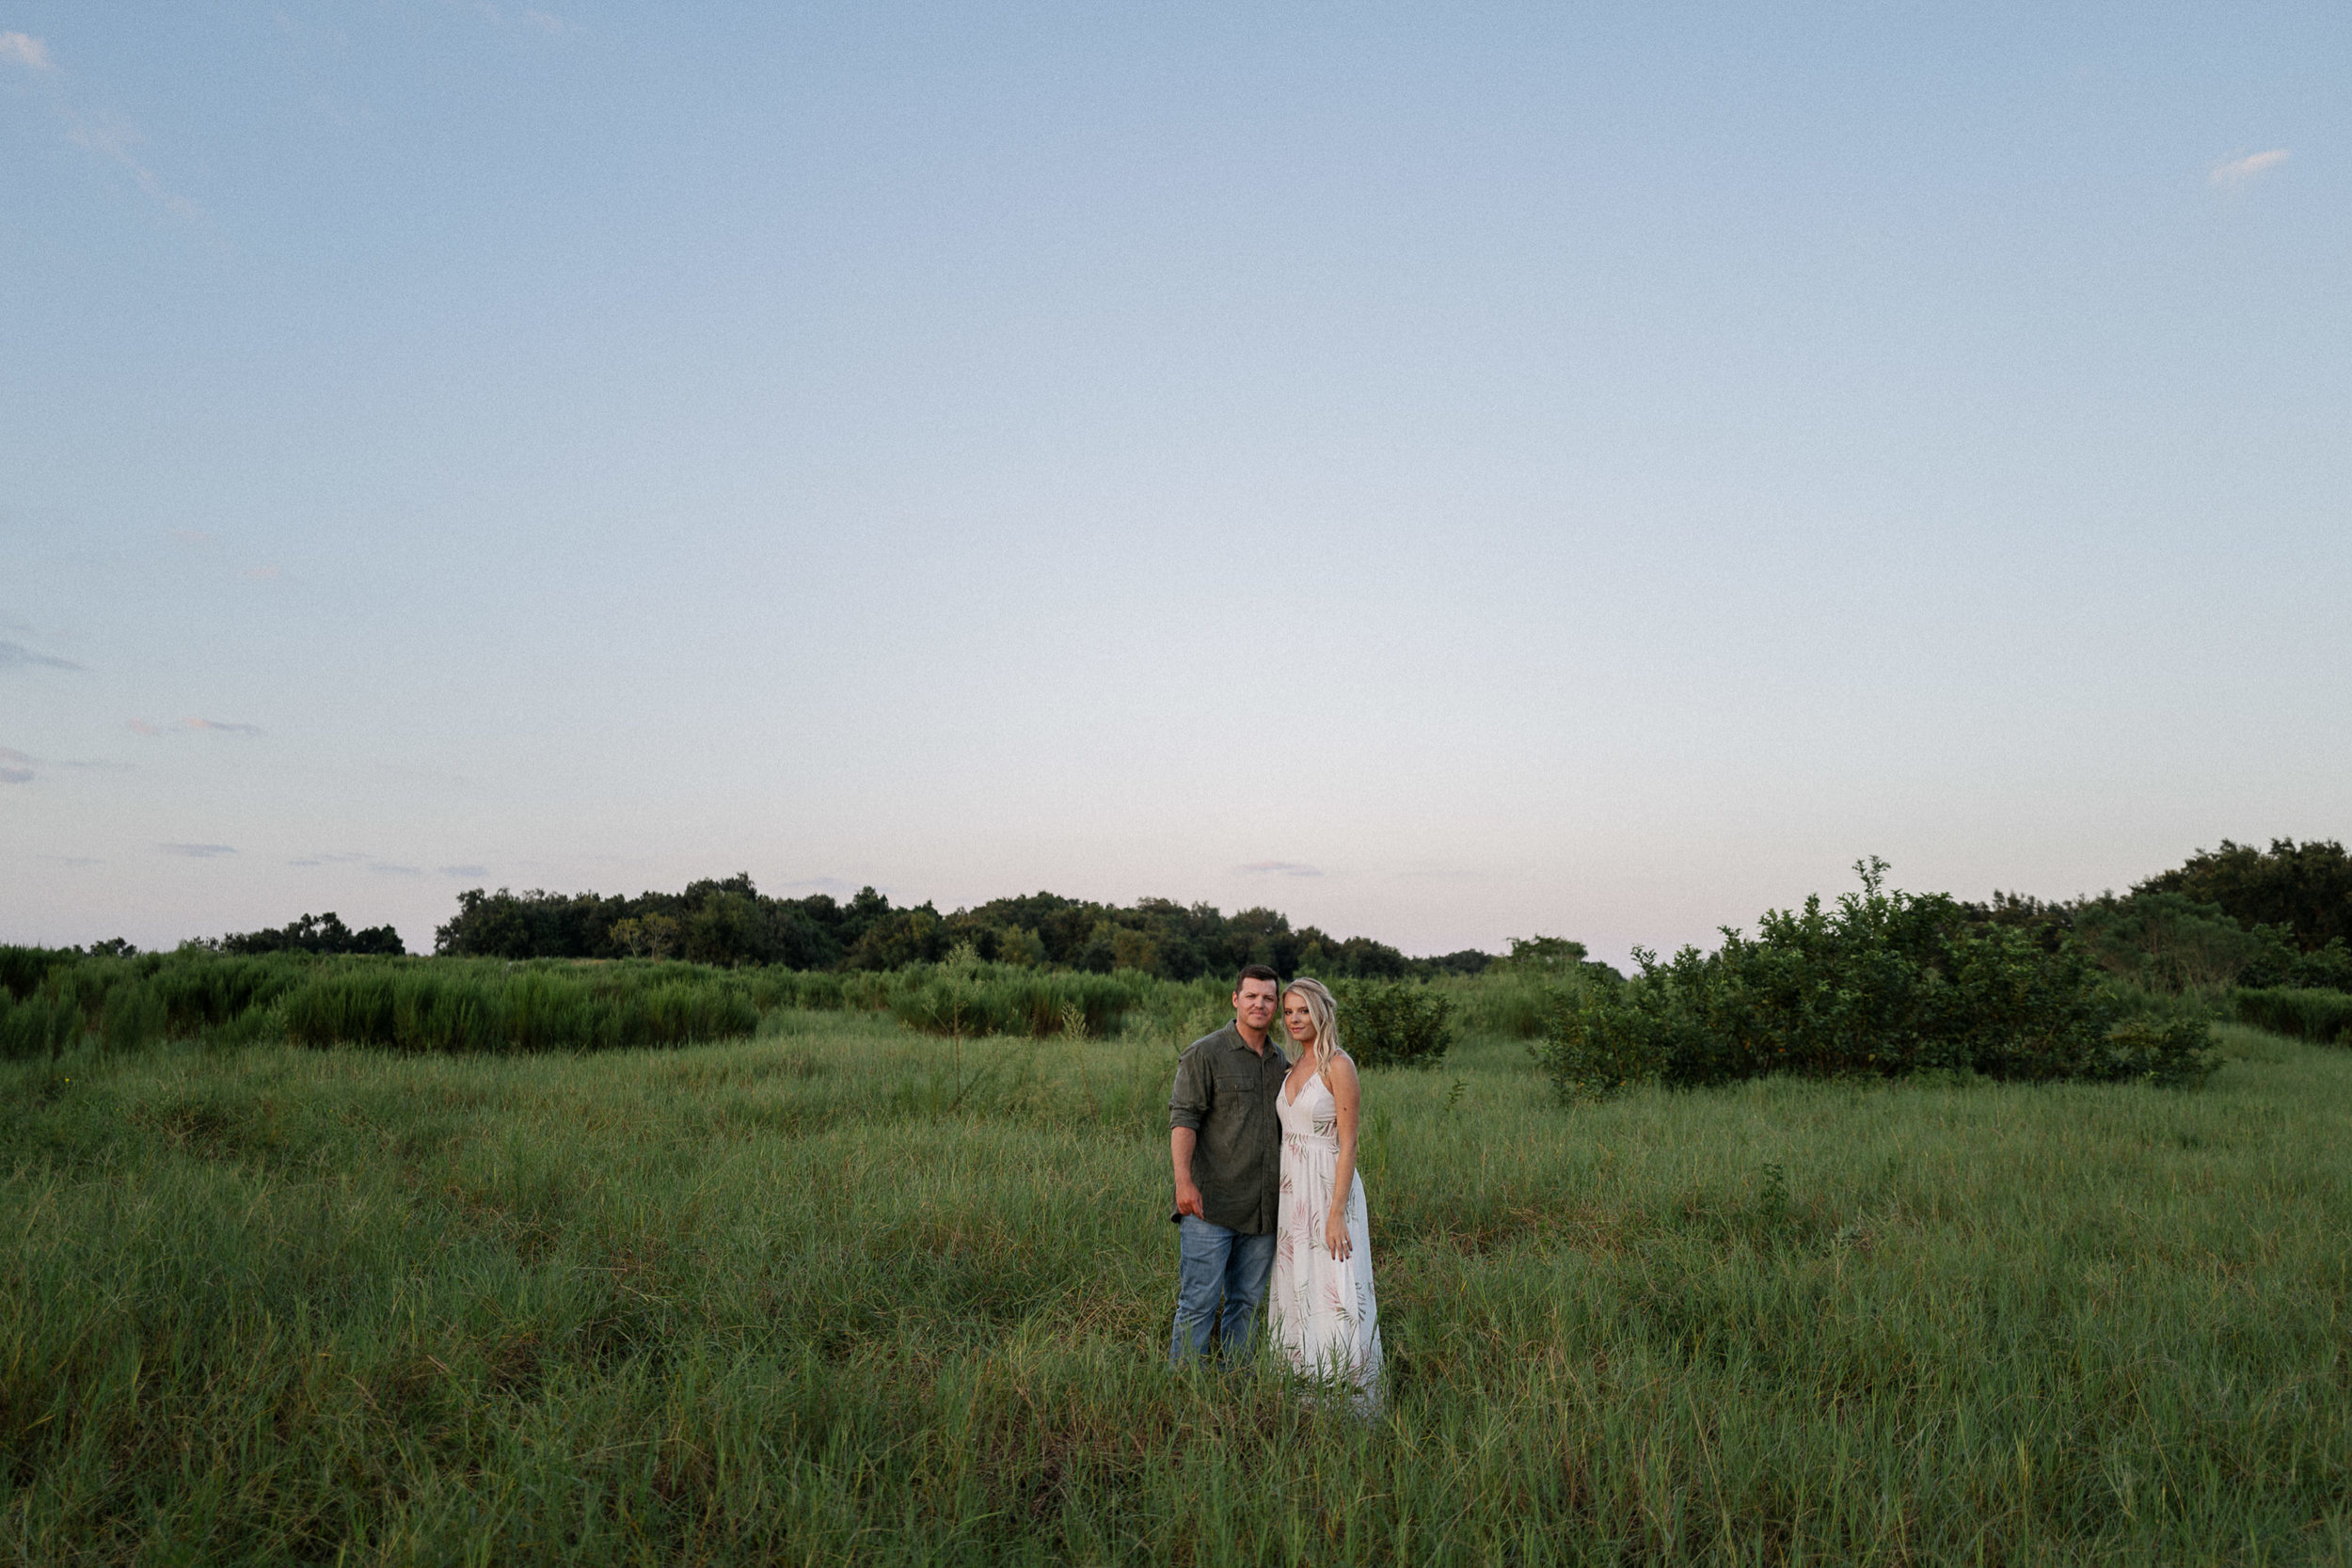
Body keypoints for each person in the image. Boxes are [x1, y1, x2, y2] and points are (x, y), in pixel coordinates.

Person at [1267, 976, 1383, 1410]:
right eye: (1289, 1011)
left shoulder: (1338, 1065)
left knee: (1336, 1287)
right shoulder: (1291, 1065)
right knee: (1299, 1286)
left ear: (1322, 1012)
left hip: (1329, 1191)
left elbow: (1349, 1142)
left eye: (1303, 1010)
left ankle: (1348, 1399)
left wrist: (1336, 1212)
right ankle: (1301, 1394)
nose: (1295, 1019)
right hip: (1292, 1193)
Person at [1168, 964, 1288, 1368]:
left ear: (1276, 1006)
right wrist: (1183, 1183)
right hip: (1210, 1205)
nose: (1260, 1004)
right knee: (1199, 1302)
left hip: (1262, 1210)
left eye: (1268, 998)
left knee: (1248, 1303)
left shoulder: (1280, 1061)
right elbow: (1184, 1119)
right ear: (1235, 999)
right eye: (1251, 996)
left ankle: (1237, 1384)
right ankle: (1184, 1386)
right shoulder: (1205, 1053)